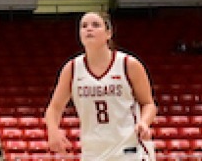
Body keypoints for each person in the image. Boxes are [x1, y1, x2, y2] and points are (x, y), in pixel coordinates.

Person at [44, 11, 156, 161]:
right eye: (84, 26)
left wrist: (144, 122)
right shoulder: (72, 68)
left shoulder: (128, 64)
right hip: (92, 153)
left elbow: (148, 103)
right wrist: (53, 130)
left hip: (129, 150)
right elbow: (54, 108)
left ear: (108, 33)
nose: (89, 29)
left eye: (95, 25)